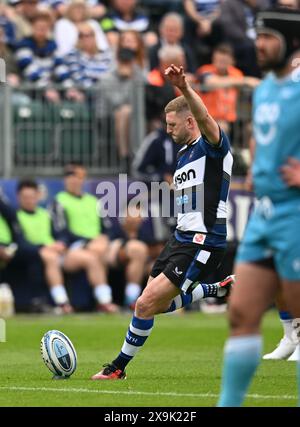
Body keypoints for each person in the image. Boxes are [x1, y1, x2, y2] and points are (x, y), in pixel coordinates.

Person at [91, 63, 234, 380]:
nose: (168, 130)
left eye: (172, 125)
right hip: (180, 237)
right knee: (146, 304)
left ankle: (117, 368)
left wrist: (184, 87)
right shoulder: (183, 154)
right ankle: (212, 289)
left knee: (145, 304)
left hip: (203, 239)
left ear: (189, 121)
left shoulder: (212, 147)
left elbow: (207, 119)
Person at [217, 8, 300, 407]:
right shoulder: (264, 87)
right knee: (241, 313)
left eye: (268, 37)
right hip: (264, 214)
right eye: (258, 36)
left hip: (295, 215)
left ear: (289, 42)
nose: (259, 44)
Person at [53, 163, 119, 313]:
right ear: (65, 180)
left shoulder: (94, 201)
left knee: (130, 251)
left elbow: (108, 229)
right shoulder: (59, 201)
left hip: (98, 246)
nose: (74, 180)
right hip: (73, 248)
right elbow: (61, 232)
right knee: (92, 257)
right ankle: (105, 301)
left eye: (78, 177)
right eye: (70, 177)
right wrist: (88, 241)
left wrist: (104, 239)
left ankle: (133, 300)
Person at [16, 179, 74, 314]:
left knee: (90, 258)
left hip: (55, 250)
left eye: (32, 197)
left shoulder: (46, 214)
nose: (29, 200)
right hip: (38, 252)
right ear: (19, 197)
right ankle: (62, 302)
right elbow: (21, 241)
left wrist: (61, 243)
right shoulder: (16, 217)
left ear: (37, 196)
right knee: (51, 258)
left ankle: (105, 301)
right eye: (25, 197)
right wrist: (44, 247)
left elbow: (60, 233)